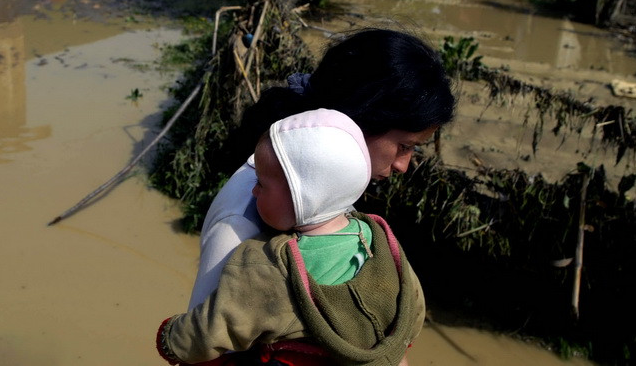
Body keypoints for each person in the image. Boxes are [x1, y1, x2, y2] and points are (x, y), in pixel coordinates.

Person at [189, 28, 455, 311]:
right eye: (403, 146)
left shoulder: (329, 192)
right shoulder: (244, 217)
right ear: (361, 120)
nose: (403, 165)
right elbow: (205, 342)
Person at [156, 109, 425, 366]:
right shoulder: (379, 236)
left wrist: (170, 338)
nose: (251, 193)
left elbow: (214, 328)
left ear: (301, 199)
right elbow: (413, 301)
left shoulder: (269, 268)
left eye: (261, 183)